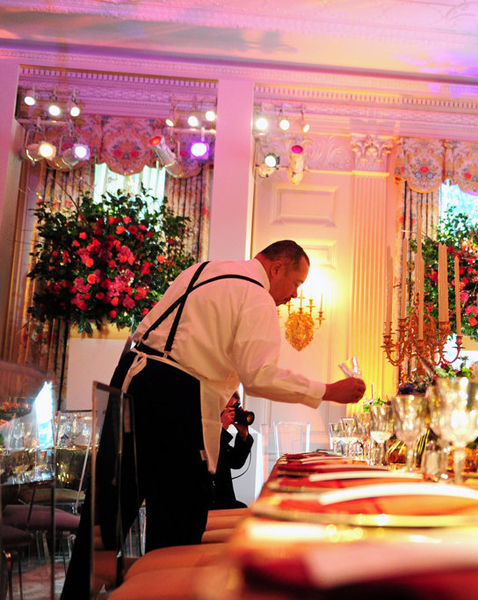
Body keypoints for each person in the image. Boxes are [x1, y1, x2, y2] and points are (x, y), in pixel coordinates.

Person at [62, 240, 366, 600]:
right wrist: (328, 390)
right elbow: (260, 375)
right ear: (276, 268)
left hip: (130, 378)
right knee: (180, 516)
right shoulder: (256, 295)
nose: (294, 296)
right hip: (175, 395)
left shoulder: (204, 270)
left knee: (109, 507)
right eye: (297, 284)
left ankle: (77, 596)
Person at [212, 392, 253, 509]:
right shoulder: (202, 430)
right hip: (209, 503)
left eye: (235, 407)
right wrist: (221, 428)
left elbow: (235, 462)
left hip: (225, 499)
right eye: (228, 409)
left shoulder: (220, 435)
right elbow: (213, 457)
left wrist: (243, 434)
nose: (232, 413)